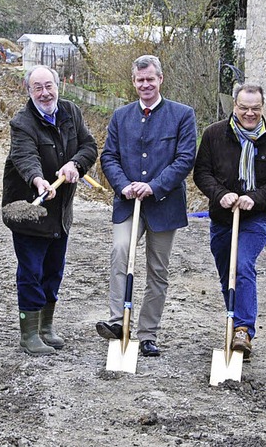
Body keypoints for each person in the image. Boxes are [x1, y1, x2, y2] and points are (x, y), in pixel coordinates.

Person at [96, 55, 196, 357]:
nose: (145, 85)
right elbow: (109, 156)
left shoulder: (182, 115)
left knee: (157, 270)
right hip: (128, 203)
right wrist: (124, 184)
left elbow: (185, 158)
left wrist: (154, 186)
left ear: (160, 79)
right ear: (133, 81)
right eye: (140, 80)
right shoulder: (121, 116)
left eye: (150, 79)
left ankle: (147, 333)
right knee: (120, 252)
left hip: (164, 205)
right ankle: (117, 322)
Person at [2, 65, 97, 356]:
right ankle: (28, 334)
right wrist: (37, 179)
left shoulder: (71, 112)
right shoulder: (22, 123)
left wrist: (76, 164)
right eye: (38, 88)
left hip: (60, 210)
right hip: (30, 208)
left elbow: (89, 146)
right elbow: (24, 157)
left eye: (49, 86)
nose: (45, 93)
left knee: (54, 270)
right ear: (28, 91)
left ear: (58, 86)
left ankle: (45, 327)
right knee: (31, 271)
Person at [193, 83, 266, 359]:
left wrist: (255, 198)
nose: (249, 113)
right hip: (222, 218)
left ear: (262, 107)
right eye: (244, 108)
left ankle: (244, 330)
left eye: (255, 109)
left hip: (256, 218)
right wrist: (220, 194)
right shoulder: (214, 135)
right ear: (234, 106)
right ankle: (234, 322)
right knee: (228, 274)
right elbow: (202, 173)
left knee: (242, 264)